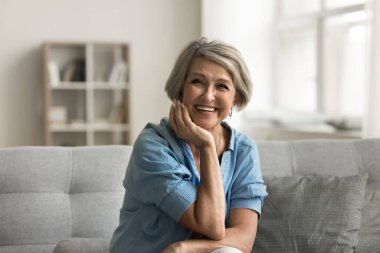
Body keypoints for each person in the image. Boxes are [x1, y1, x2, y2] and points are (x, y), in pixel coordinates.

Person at [110, 37, 267, 253]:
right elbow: (211, 226)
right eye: (197, 82)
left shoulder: (244, 149)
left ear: (235, 98)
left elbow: (244, 237)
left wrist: (184, 248)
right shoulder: (153, 146)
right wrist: (207, 144)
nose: (208, 95)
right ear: (181, 88)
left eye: (221, 86)